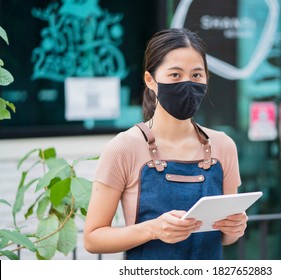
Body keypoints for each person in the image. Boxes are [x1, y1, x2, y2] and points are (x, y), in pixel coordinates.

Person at [83, 28, 248, 260]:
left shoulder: (223, 146)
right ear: (150, 80)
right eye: (175, 75)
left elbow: (225, 237)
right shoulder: (124, 147)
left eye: (197, 75)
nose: (188, 83)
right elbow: (93, 238)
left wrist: (235, 229)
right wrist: (152, 229)